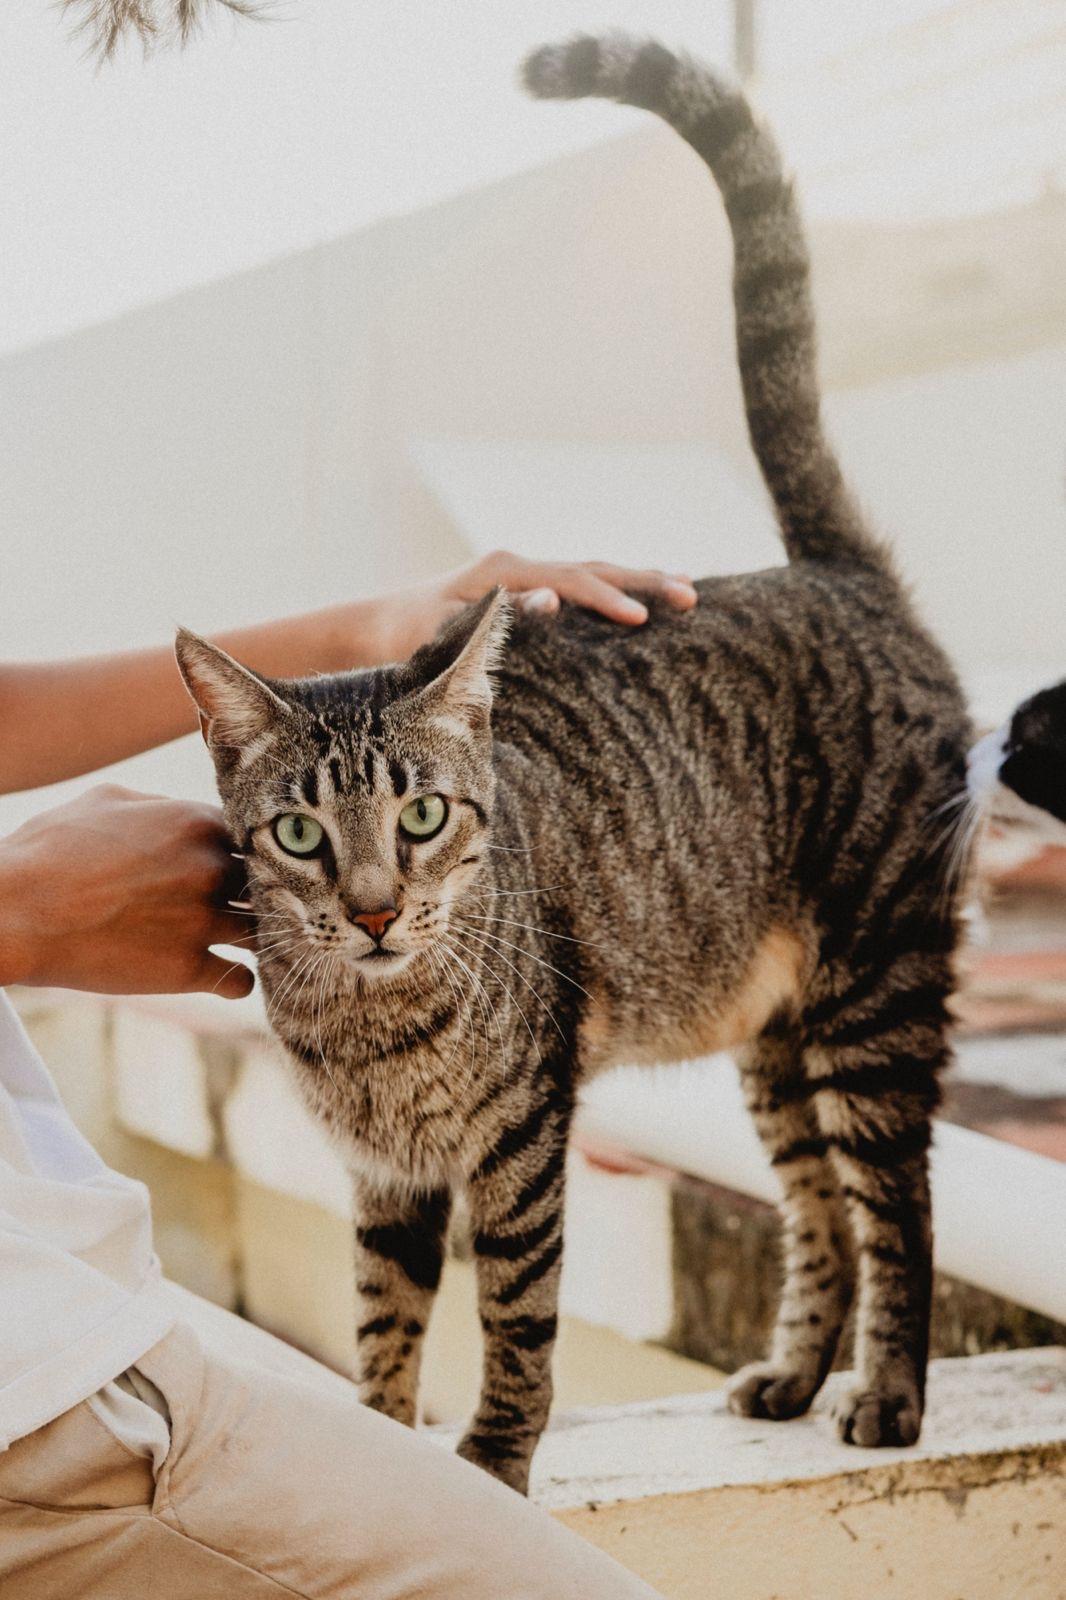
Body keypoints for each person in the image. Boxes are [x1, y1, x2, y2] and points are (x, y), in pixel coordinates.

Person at [0, 554, 695, 1598]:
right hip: (35, 1386)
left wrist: (372, 628)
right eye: (301, 837)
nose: (372, 899)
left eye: (417, 828)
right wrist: (20, 916)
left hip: (68, 1285)